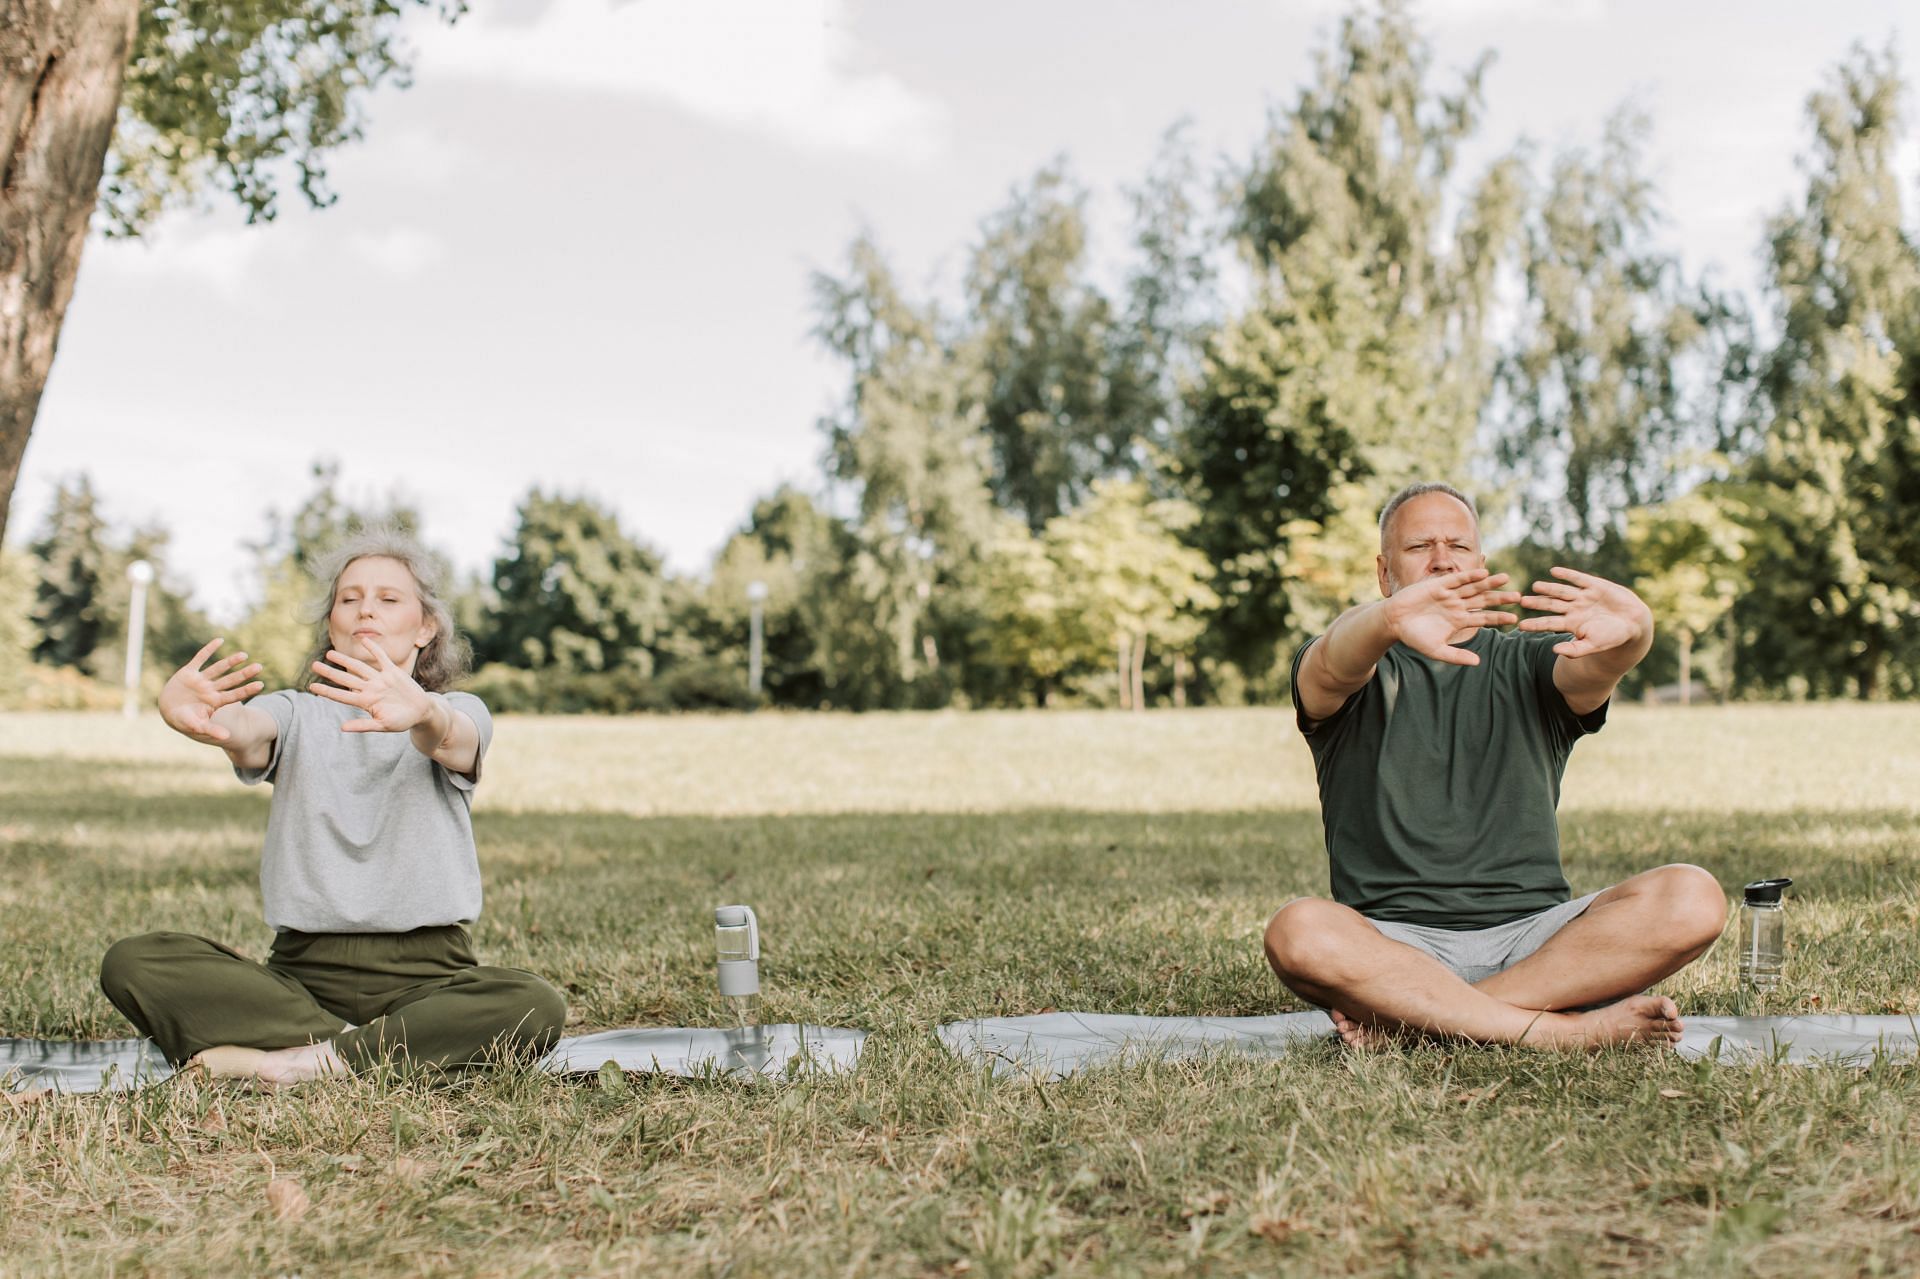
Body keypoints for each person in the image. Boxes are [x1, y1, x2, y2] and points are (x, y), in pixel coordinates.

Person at [1263, 482, 1727, 1049]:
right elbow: (1331, 663)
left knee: (1694, 896)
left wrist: (1636, 636)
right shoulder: (1358, 667)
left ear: (1480, 563)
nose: (1441, 559)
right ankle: (1564, 1033)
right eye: (1419, 547)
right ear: (1385, 575)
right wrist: (1387, 622)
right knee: (1298, 930)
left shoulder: (1532, 661)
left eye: (1457, 545)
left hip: (1538, 942)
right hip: (1393, 945)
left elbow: (1596, 670)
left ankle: (1418, 1025)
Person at [99, 528, 566, 1085]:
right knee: (134, 962)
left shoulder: (455, 709)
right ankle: (367, 1054)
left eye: (388, 599)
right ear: (331, 625)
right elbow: (248, 731)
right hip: (300, 979)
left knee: (534, 1004)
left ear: (425, 627)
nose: (366, 609)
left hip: (431, 976)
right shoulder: (293, 712)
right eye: (349, 598)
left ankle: (303, 1061)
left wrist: (422, 713)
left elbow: (451, 738)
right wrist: (203, 721)